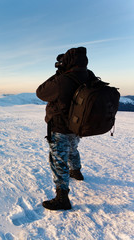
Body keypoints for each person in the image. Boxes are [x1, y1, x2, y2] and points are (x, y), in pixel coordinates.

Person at [36, 47, 94, 210]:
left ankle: (62, 197)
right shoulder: (89, 76)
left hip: (60, 126)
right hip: (78, 125)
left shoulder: (63, 79)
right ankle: (76, 171)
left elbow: (41, 92)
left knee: (58, 159)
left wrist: (59, 72)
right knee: (73, 149)